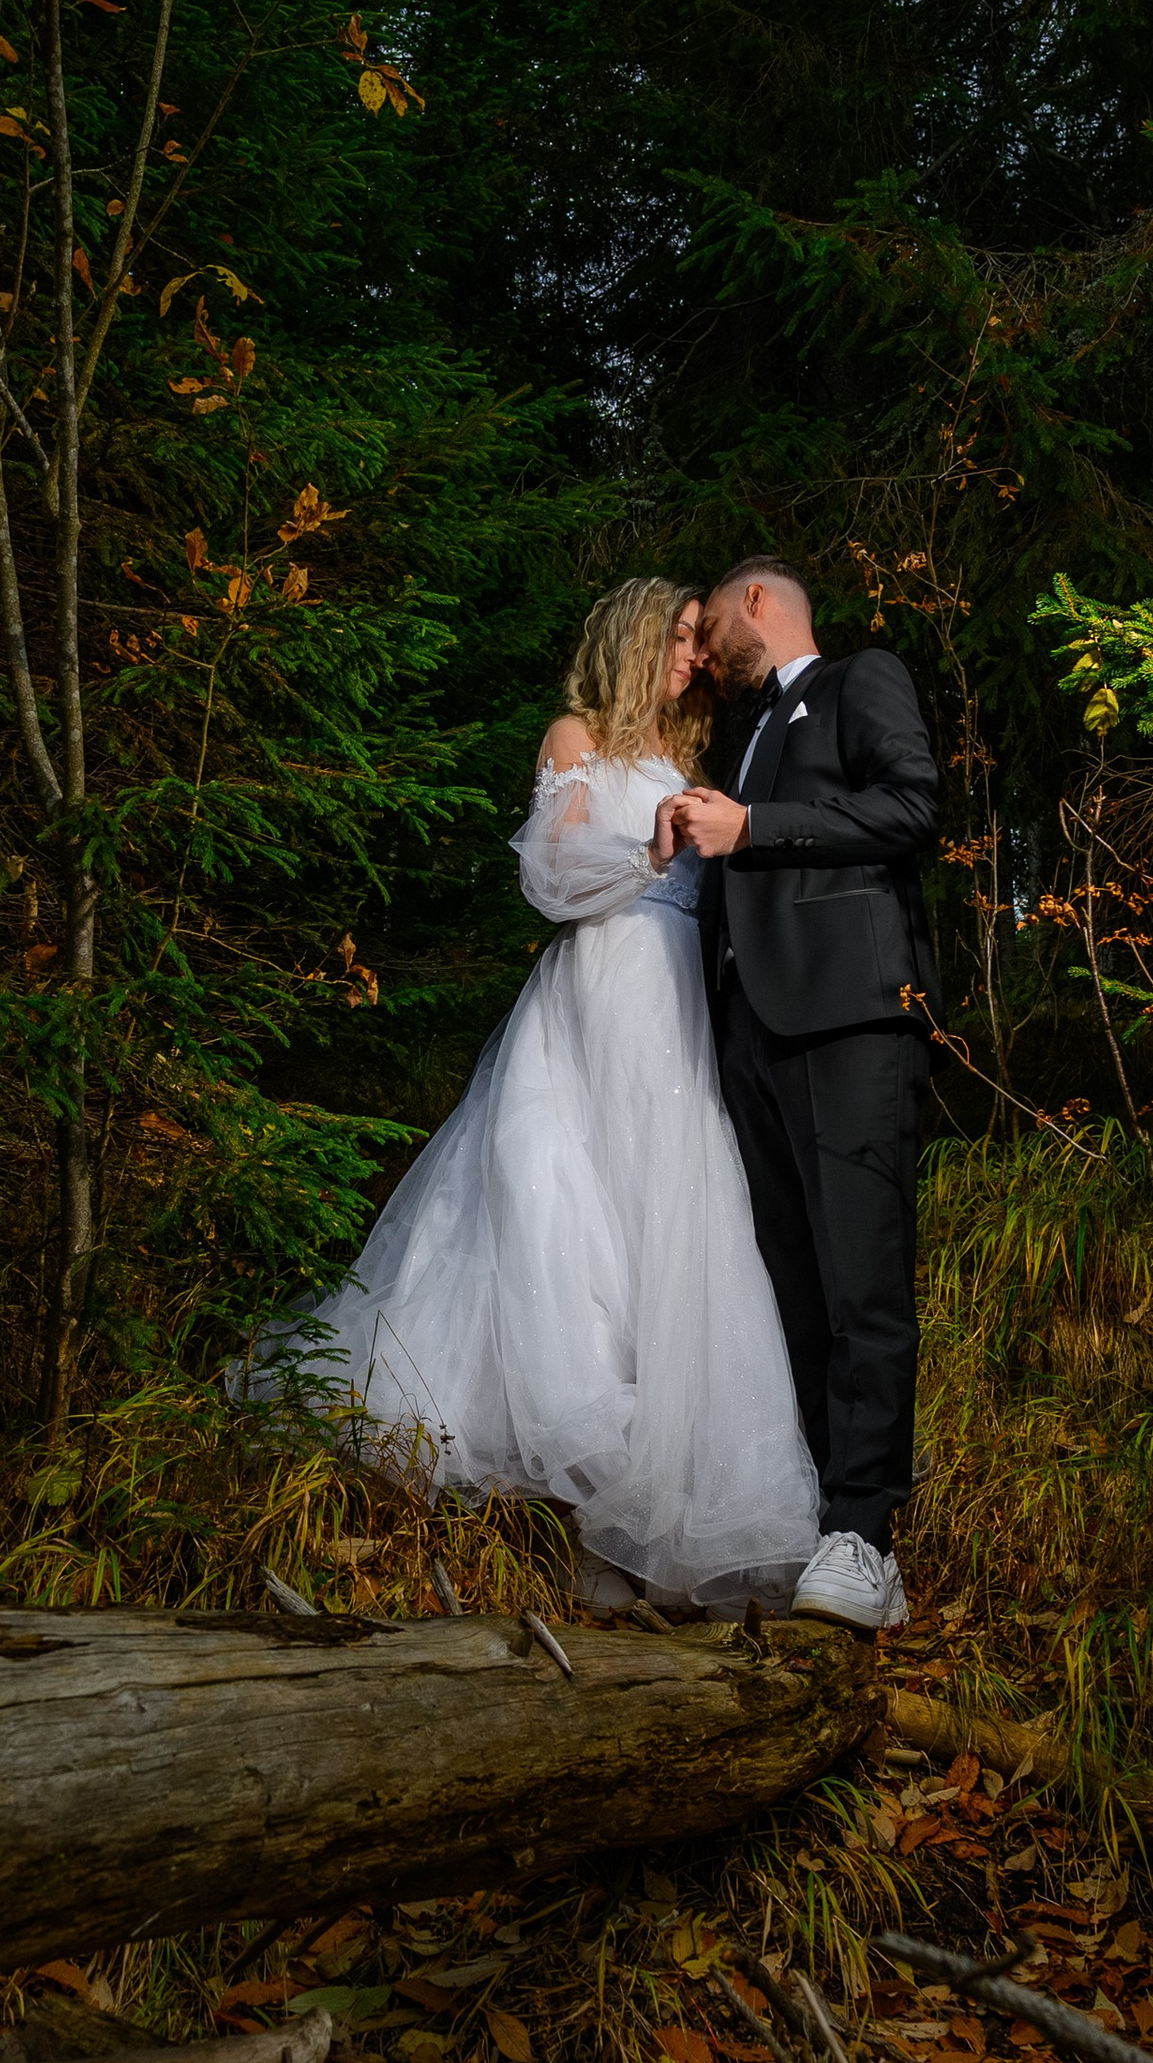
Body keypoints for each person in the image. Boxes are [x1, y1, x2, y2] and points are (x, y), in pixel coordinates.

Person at [257, 579, 822, 1612]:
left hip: (677, 1015)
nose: (694, 656)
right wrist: (646, 849)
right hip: (596, 998)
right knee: (569, 1228)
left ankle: (652, 1532)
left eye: (699, 641)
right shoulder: (576, 739)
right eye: (679, 636)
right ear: (632, 637)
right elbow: (548, 878)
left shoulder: (687, 761)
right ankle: (574, 1518)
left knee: (669, 1233)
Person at [661, 557, 944, 1633]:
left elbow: (911, 807)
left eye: (713, 624)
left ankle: (867, 1537)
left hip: (850, 1021)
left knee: (862, 1282)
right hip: (750, 1037)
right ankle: (819, 1518)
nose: (706, 648)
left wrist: (755, 828)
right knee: (787, 1291)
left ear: (760, 603)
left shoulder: (860, 679)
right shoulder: (742, 737)